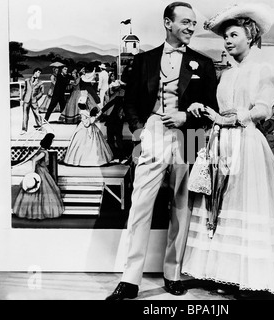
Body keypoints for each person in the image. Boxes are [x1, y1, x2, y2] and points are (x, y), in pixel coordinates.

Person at [181, 3, 274, 297]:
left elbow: (261, 109)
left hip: (246, 143)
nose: (227, 41)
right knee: (222, 207)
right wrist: (205, 111)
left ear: (250, 36)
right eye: (225, 36)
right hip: (221, 143)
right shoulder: (227, 74)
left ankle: (254, 278)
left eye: (233, 35)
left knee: (246, 204)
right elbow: (223, 108)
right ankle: (226, 275)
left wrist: (232, 118)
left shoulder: (264, 70)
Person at [105, 1, 218, 300]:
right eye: (185, 22)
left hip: (191, 135)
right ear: (168, 23)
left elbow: (212, 109)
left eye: (194, 23)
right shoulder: (144, 61)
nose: (191, 27)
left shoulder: (203, 64)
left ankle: (173, 273)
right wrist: (141, 132)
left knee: (182, 204)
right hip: (152, 133)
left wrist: (187, 115)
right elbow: (129, 102)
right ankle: (130, 280)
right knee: (141, 205)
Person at [13, 133, 64, 219]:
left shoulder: (41, 149)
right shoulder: (43, 152)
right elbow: (34, 160)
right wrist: (33, 172)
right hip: (41, 172)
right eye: (52, 141)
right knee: (43, 191)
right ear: (49, 142)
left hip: (42, 171)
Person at [63, 101, 113, 167]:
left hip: (91, 128)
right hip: (85, 129)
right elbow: (86, 123)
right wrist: (93, 118)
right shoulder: (83, 113)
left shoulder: (86, 111)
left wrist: (93, 117)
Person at [20, 68, 44, 135]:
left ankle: (40, 128)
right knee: (25, 115)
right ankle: (24, 130)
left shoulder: (40, 82)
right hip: (26, 100)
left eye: (40, 73)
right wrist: (22, 99)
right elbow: (24, 90)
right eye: (38, 72)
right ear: (35, 72)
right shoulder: (27, 80)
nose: (39, 74)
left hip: (34, 101)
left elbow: (42, 92)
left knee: (37, 114)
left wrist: (36, 98)